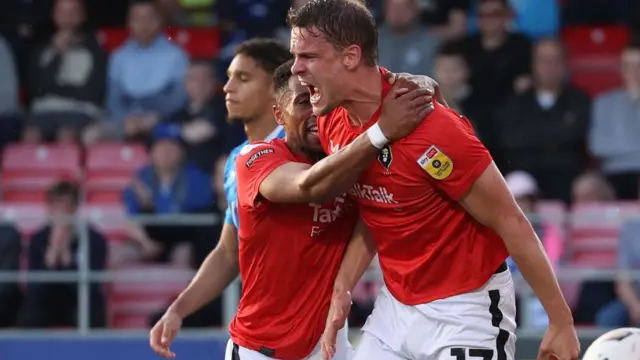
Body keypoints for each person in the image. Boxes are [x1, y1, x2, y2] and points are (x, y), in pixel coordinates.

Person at [283, 1, 579, 359]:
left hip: (466, 308)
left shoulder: (433, 127)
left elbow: (511, 220)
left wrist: (560, 321)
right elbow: (375, 206)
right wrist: (342, 288)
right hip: (395, 305)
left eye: (308, 56)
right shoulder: (333, 120)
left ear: (350, 57)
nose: (296, 69)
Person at [148, 39, 439, 358]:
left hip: (329, 342)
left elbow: (373, 211)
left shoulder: (350, 153)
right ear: (279, 109)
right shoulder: (251, 158)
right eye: (303, 102)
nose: (228, 88)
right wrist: (179, 308)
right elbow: (234, 248)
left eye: (243, 78)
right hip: (263, 348)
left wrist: (423, 88)